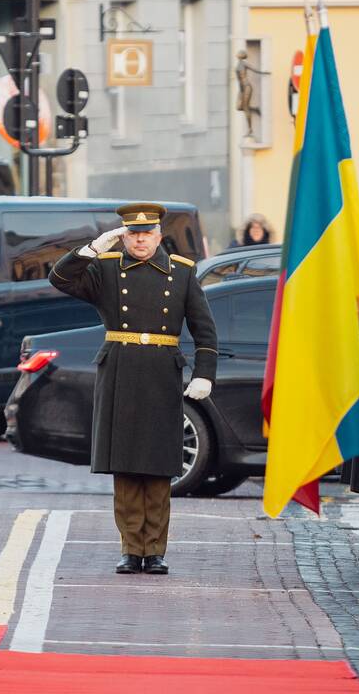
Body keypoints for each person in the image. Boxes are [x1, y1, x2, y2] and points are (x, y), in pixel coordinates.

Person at [49, 203, 218, 575]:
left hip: (161, 372)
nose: (140, 240)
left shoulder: (182, 273)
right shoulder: (107, 268)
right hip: (121, 370)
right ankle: (130, 548)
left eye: (146, 233)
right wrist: (92, 249)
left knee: (158, 466)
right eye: (132, 234)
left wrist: (205, 373)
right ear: (124, 236)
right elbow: (59, 280)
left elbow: (205, 330)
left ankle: (155, 549)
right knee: (124, 465)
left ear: (159, 236)